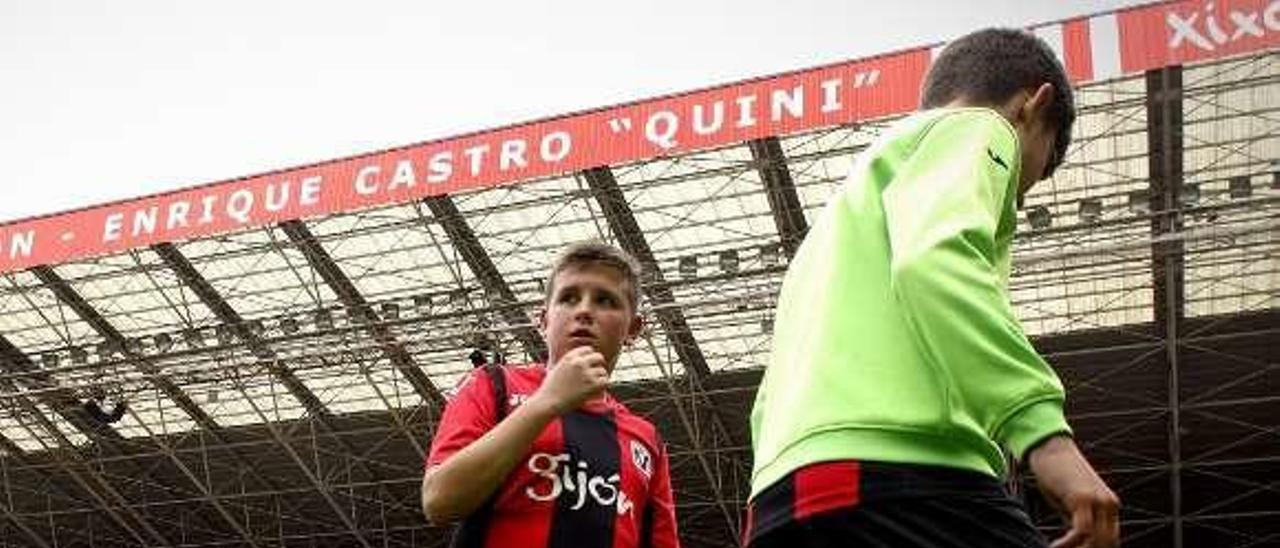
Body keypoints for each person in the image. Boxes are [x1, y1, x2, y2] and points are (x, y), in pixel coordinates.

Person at [744, 29, 1120, 548]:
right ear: (1034, 105)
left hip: (782, 497)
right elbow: (935, 262)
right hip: (906, 476)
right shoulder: (980, 129)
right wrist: (1044, 438)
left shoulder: (835, 227)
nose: (1023, 189)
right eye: (1043, 162)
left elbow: (767, 400)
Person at [422, 241, 680, 548]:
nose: (584, 310)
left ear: (634, 328)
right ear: (543, 320)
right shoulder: (493, 384)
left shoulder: (646, 440)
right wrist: (547, 402)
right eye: (569, 298)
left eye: (605, 300)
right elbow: (439, 500)